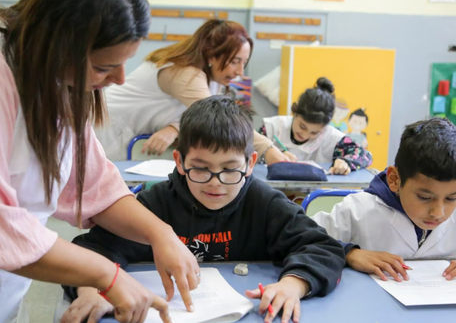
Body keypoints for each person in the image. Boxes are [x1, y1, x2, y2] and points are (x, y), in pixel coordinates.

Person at [0, 0, 199, 322]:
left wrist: (160, 233)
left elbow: (94, 186)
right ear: (56, 45)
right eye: (104, 67)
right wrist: (107, 275)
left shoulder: (57, 83)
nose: (120, 79)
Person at [61, 96, 346, 323]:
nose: (215, 183)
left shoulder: (265, 203)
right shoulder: (156, 205)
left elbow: (322, 248)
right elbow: (90, 250)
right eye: (201, 168)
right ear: (180, 161)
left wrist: (293, 285)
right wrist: (90, 291)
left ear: (250, 163)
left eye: (229, 169)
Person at [94, 19, 289, 164]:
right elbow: (221, 119)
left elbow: (198, 113)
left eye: (244, 63)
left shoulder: (212, 77)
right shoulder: (186, 73)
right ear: (212, 54)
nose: (239, 72)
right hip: (107, 130)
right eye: (235, 61)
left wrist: (174, 127)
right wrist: (269, 151)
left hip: (129, 138)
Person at [312, 118, 456, 284]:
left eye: (451, 198)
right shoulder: (357, 210)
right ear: (395, 180)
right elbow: (303, 238)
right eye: (424, 197)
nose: (438, 212)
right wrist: (349, 253)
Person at [259, 77, 372, 175]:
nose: (305, 134)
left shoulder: (332, 137)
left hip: (314, 196)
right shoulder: (272, 128)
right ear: (295, 112)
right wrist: (270, 153)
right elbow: (246, 151)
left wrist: (345, 162)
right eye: (302, 126)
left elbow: (365, 155)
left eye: (314, 132)